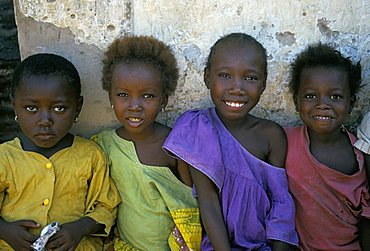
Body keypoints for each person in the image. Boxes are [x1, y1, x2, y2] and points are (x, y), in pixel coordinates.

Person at [163, 32, 298, 250]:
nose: (237, 88)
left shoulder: (271, 135)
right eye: (225, 75)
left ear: (263, 83)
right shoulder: (198, 128)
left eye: (251, 78)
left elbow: (280, 204)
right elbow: (208, 201)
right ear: (207, 78)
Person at [0, 53, 121, 251]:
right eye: (31, 108)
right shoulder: (4, 157)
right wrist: (5, 231)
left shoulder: (90, 155)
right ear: (14, 106)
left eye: (59, 108)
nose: (45, 120)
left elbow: (107, 206)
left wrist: (79, 229)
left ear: (77, 108)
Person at [93, 35, 202, 251]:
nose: (135, 106)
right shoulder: (104, 144)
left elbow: (190, 203)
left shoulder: (176, 145)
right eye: (123, 94)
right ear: (110, 97)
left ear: (164, 99)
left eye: (147, 96)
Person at [285, 43, 370, 250]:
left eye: (335, 97)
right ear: (296, 102)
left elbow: (367, 217)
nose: (322, 104)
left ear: (351, 103)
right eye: (310, 96)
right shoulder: (285, 142)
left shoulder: (358, 155)